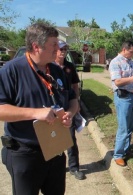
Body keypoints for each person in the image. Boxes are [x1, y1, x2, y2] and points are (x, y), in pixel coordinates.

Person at [0, 23, 78, 195]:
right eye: (54, 45)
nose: (59, 49)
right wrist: (35, 113)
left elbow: (73, 100)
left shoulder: (58, 71)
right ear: (36, 47)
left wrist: (70, 114)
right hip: (26, 153)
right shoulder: (11, 71)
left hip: (56, 150)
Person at [109, 41, 133, 167]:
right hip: (123, 97)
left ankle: (126, 150)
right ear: (124, 49)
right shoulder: (115, 62)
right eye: (131, 51)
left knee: (130, 126)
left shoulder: (131, 61)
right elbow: (117, 81)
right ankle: (118, 155)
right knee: (123, 127)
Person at [54, 40, 85, 180]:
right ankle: (55, 168)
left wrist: (76, 103)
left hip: (68, 108)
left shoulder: (69, 67)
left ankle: (74, 168)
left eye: (65, 49)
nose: (63, 51)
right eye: (61, 49)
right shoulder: (48, 67)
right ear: (55, 50)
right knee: (53, 139)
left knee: (70, 139)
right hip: (52, 110)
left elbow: (75, 86)